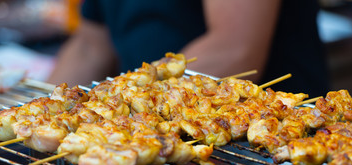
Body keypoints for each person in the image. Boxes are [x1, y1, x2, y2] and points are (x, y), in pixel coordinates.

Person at [47, 0, 330, 98]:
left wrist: (127, 103)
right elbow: (89, 47)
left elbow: (235, 50)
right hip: (153, 144)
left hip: (266, 152)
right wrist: (35, 108)